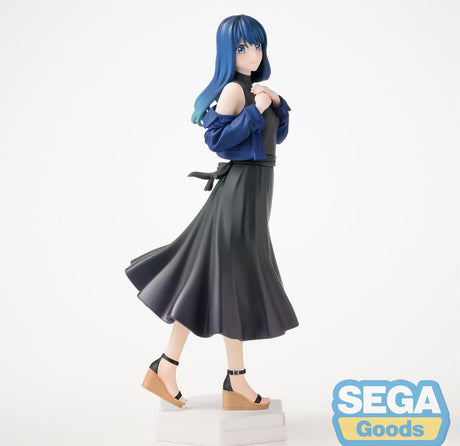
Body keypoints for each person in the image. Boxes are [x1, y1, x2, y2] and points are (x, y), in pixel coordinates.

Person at [125, 14, 299, 411]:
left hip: (255, 192)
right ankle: (233, 381)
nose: (252, 53)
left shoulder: (255, 89)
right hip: (239, 194)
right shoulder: (234, 91)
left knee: (213, 280)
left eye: (257, 45)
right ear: (227, 52)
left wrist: (275, 103)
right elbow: (217, 140)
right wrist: (256, 109)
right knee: (232, 282)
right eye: (242, 47)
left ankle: (166, 368)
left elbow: (276, 137)